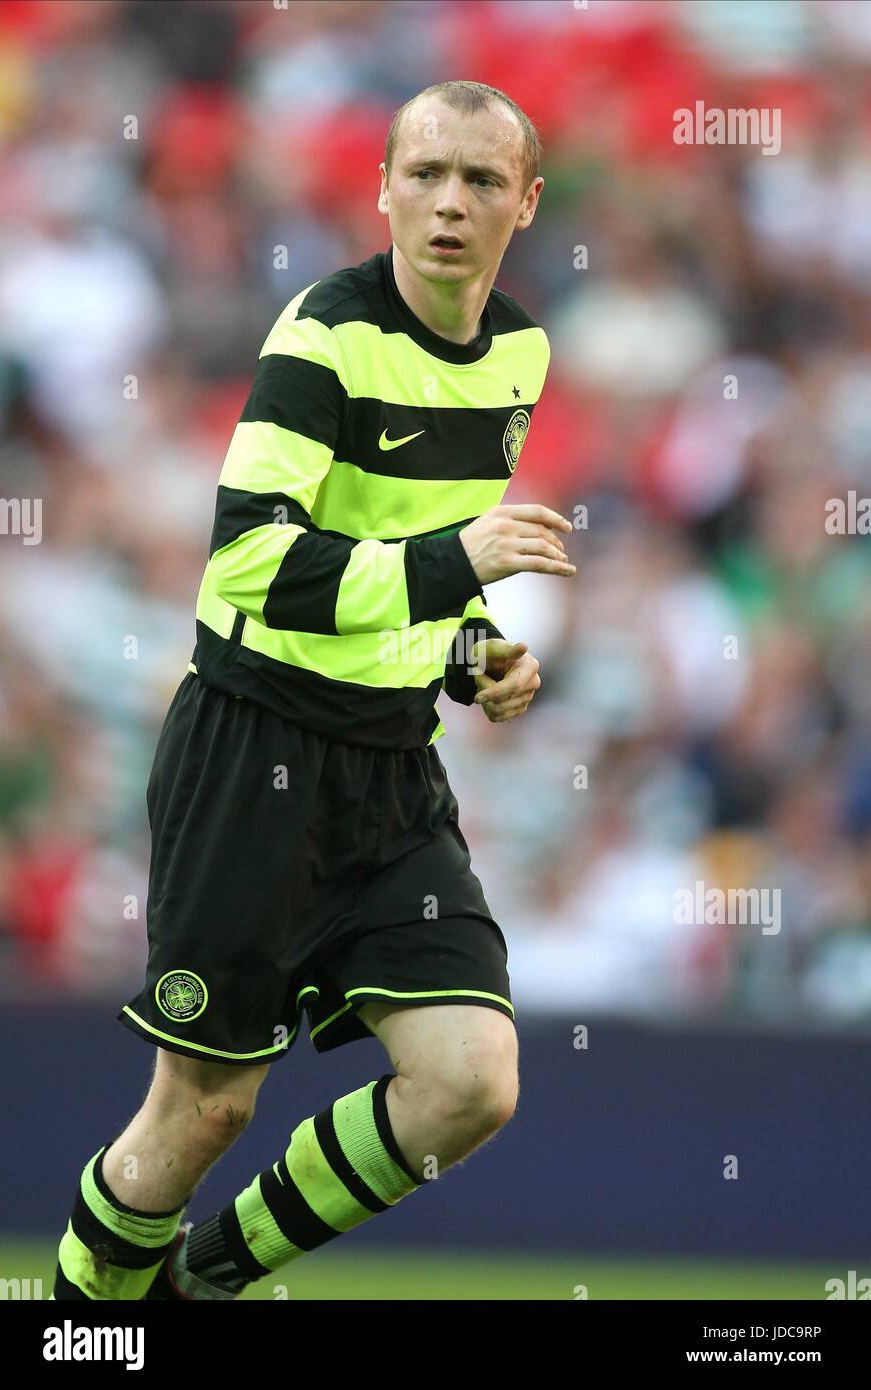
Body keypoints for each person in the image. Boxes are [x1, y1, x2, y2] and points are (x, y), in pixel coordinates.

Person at [52, 78, 575, 1301]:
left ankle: (206, 1280)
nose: (449, 203)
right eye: (426, 175)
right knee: (201, 1112)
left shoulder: (519, 356)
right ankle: (74, 1329)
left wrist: (475, 654)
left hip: (390, 761)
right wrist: (461, 567)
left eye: (481, 181)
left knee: (470, 1080)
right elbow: (247, 561)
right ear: (383, 187)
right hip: (253, 746)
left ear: (526, 205)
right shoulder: (322, 336)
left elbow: (400, 562)